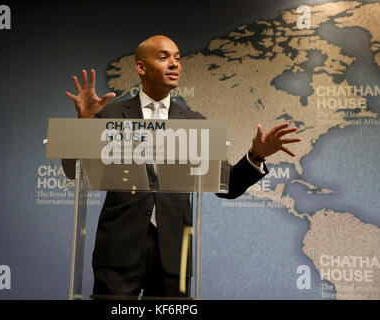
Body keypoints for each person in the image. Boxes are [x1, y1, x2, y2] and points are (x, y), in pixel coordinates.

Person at [64, 35, 301, 298]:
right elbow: (74, 171)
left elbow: (227, 186)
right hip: (118, 250)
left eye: (178, 58)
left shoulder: (194, 122)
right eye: (164, 57)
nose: (174, 64)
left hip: (174, 255)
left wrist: (255, 156)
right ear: (141, 67)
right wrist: (83, 124)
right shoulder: (108, 115)